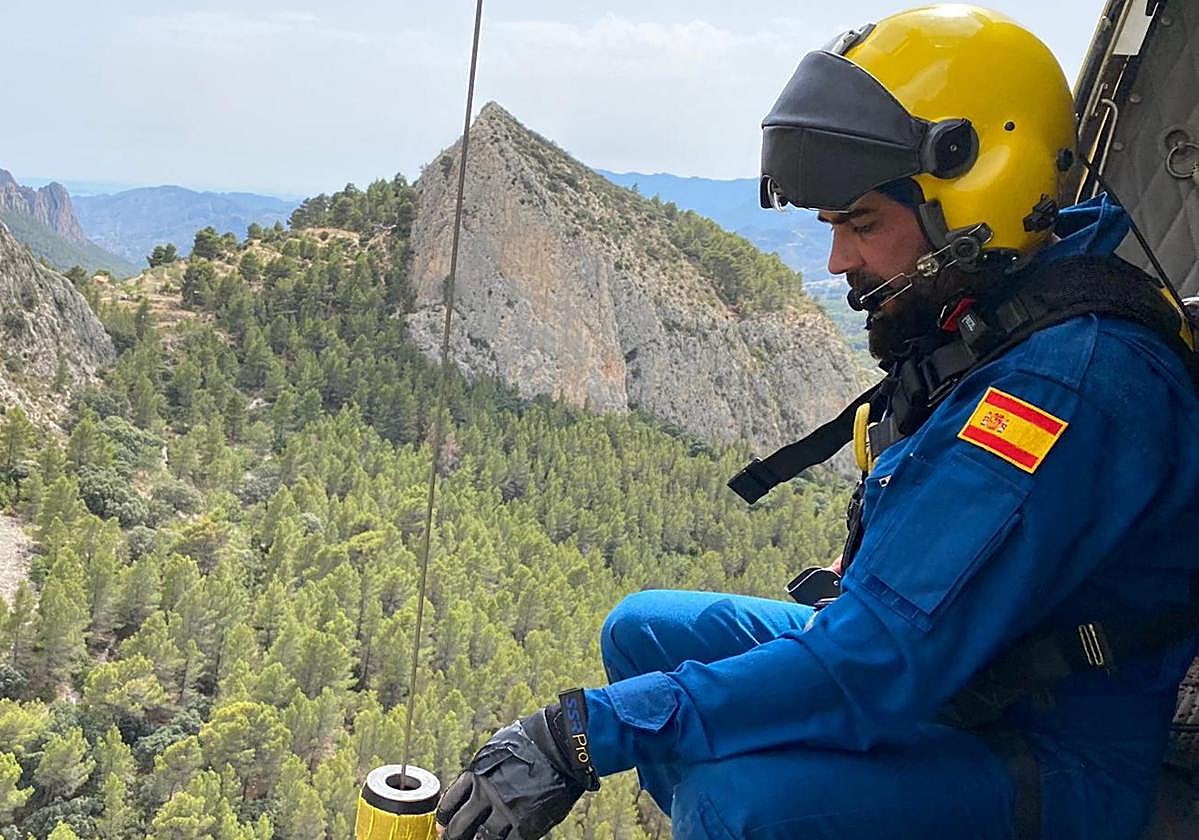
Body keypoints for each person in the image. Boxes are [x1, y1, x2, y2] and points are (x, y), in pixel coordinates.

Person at [436, 6, 1199, 839]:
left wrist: (582, 736)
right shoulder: (1003, 311)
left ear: (985, 188)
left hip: (1049, 751)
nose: (838, 261)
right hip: (967, 671)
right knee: (644, 632)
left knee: (737, 808)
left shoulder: (1062, 386)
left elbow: (879, 663)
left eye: (860, 222)